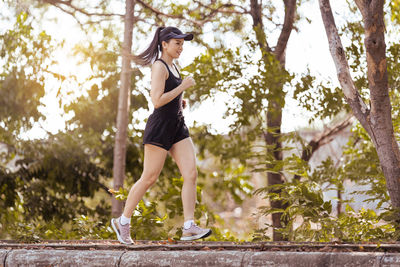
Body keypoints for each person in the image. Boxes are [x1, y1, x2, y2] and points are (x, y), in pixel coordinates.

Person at [111, 26, 212, 244]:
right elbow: (156, 100)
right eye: (177, 43)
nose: (181, 47)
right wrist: (182, 87)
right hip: (160, 128)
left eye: (182, 44)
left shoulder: (175, 66)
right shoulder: (159, 66)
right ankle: (123, 221)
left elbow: (168, 96)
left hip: (177, 126)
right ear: (164, 44)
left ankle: (188, 227)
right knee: (149, 177)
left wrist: (179, 100)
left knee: (191, 174)